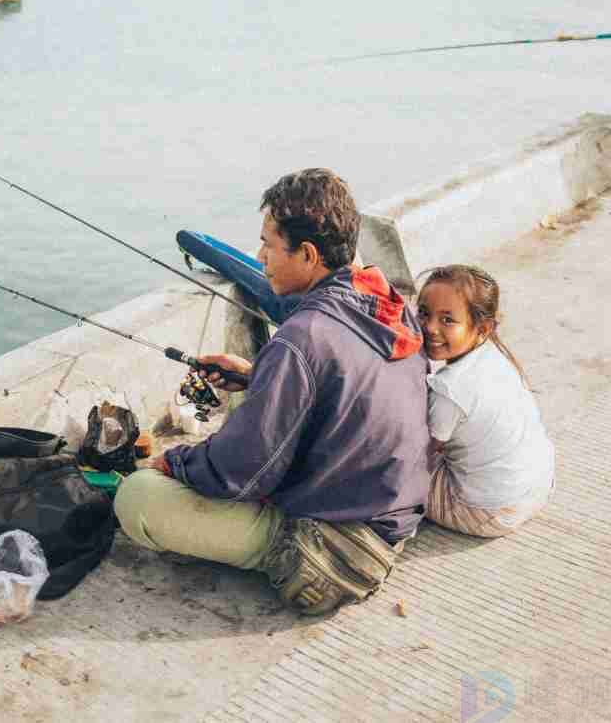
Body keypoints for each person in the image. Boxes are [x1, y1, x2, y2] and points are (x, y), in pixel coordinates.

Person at [115, 168, 431, 615]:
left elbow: (239, 471)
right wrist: (259, 375)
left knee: (138, 498)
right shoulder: (387, 303)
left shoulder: (300, 338)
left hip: (337, 553)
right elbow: (347, 391)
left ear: (307, 254)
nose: (260, 256)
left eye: (268, 244)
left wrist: (172, 461)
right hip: (392, 514)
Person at [417, 265, 555, 538]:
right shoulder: (494, 355)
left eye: (447, 320)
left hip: (489, 512)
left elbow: (420, 455)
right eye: (423, 313)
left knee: (382, 462)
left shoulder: (449, 389)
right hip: (537, 487)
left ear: (482, 327)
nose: (430, 327)